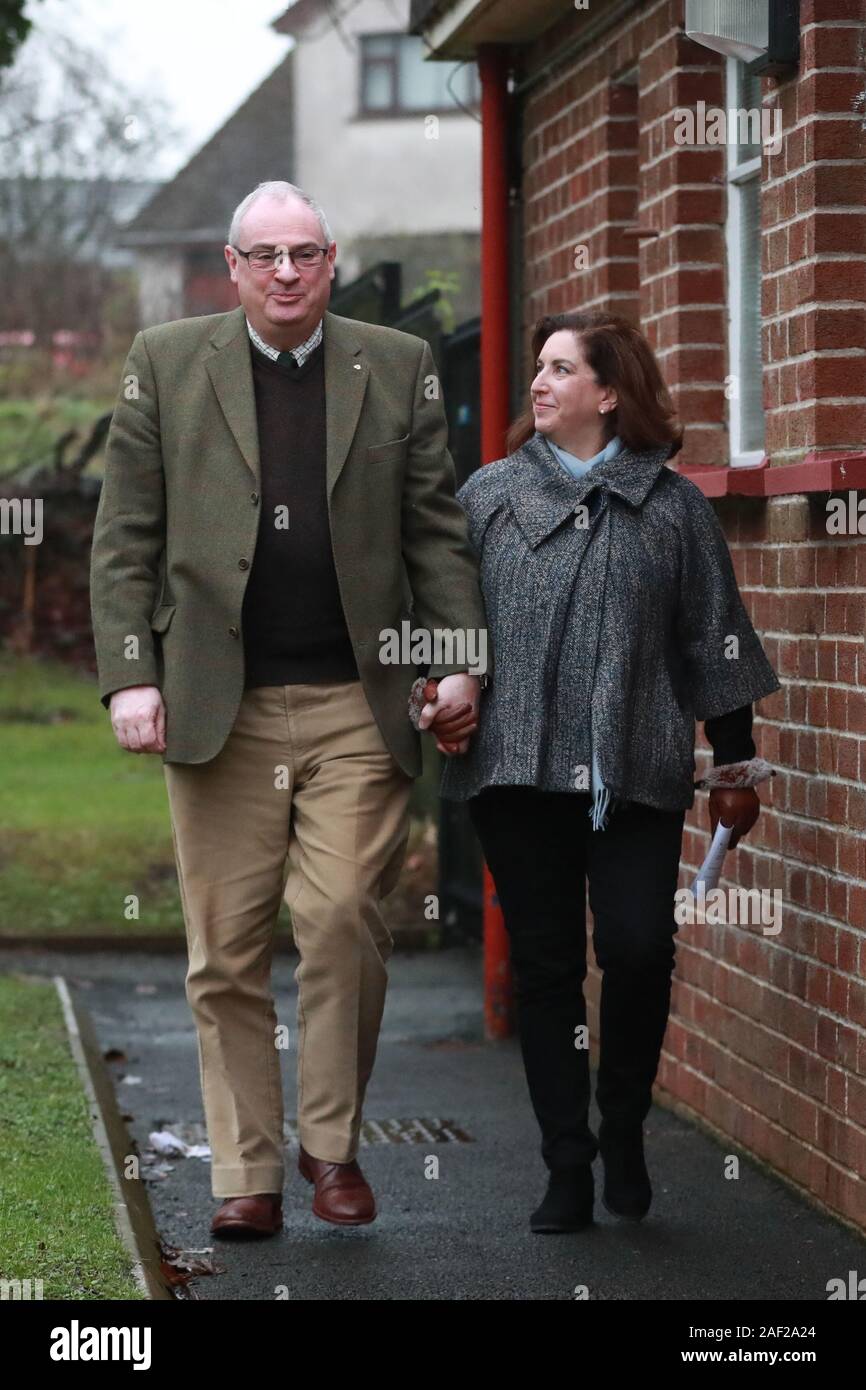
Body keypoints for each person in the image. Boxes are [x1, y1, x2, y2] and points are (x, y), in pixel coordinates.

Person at [89, 180, 486, 1238]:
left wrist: (455, 661)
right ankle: (246, 1175)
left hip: (361, 699)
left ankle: (330, 1145)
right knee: (222, 951)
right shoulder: (167, 363)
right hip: (218, 703)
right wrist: (131, 672)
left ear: (329, 258)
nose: (284, 272)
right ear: (232, 267)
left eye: (302, 253)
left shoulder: (394, 364)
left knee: (341, 920)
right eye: (262, 255)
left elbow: (433, 532)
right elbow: (125, 534)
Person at [438, 310, 781, 1233]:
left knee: (638, 947)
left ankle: (622, 1123)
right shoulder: (489, 497)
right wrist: (441, 690)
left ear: (610, 392)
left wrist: (734, 765)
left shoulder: (671, 509)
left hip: (635, 772)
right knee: (547, 969)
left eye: (561, 370)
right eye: (538, 367)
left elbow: (714, 639)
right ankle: (567, 1164)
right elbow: (443, 618)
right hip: (516, 774)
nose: (539, 384)